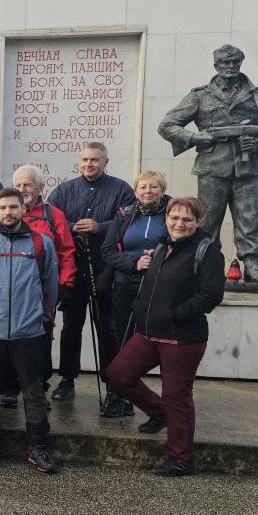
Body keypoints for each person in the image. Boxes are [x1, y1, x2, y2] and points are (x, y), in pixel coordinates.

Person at [106, 197, 225, 477]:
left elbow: (211, 295)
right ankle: (159, 412)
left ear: (197, 222)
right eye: (174, 218)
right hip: (149, 332)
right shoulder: (163, 245)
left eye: (187, 219)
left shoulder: (207, 251)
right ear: (166, 219)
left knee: (177, 396)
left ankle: (181, 459)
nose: (179, 224)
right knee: (118, 374)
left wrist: (176, 313)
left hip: (182, 338)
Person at [159, 44, 258, 284]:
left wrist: (257, 145)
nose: (231, 66)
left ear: (241, 63)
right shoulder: (199, 96)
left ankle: (252, 265)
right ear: (216, 66)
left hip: (246, 169)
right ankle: (206, 267)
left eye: (235, 62)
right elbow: (167, 125)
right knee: (208, 221)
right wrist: (195, 138)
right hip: (212, 168)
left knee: (250, 218)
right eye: (225, 62)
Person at [0, 187, 60, 473]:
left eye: (13, 207)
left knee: (33, 392)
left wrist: (40, 318)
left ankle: (38, 447)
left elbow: (50, 286)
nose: (8, 212)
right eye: (3, 207)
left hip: (29, 332)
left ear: (23, 209)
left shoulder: (41, 243)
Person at [47, 142, 135, 403]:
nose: (89, 164)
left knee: (108, 328)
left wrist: (101, 227)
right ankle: (67, 379)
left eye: (95, 160)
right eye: (85, 159)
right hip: (73, 269)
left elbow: (129, 220)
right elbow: (51, 220)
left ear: (105, 162)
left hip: (106, 269)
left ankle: (112, 383)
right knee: (71, 328)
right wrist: (73, 226)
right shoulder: (64, 190)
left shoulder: (121, 189)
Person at [100, 171, 171, 418]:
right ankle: (118, 393)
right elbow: (107, 250)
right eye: (143, 187)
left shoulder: (173, 213)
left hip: (160, 286)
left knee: (154, 342)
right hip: (126, 284)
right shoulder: (125, 214)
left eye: (153, 187)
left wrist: (157, 259)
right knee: (122, 338)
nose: (148, 191)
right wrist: (134, 263)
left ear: (162, 189)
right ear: (135, 191)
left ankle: (163, 401)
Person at [12, 165, 78, 405]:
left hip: (43, 289)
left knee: (41, 336)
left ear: (40, 187)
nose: (22, 189)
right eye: (18, 185)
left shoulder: (54, 215)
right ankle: (11, 385)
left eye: (27, 184)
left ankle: (38, 386)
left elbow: (66, 251)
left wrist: (66, 283)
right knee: (11, 335)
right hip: (13, 288)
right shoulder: (9, 212)